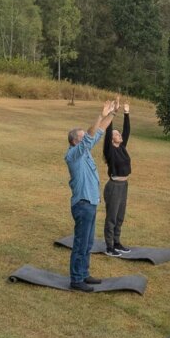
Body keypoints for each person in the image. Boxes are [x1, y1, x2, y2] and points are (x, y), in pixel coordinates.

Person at [64, 99, 117, 292]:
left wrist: (112, 114)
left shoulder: (84, 151)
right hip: (83, 204)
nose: (87, 137)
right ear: (75, 141)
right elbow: (91, 134)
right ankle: (76, 279)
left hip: (91, 203)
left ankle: (84, 274)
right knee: (80, 242)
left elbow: (99, 131)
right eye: (83, 136)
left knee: (88, 242)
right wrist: (100, 115)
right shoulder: (73, 155)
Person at [102, 100, 132, 257]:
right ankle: (109, 246)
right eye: (116, 134)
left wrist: (126, 113)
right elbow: (108, 132)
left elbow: (127, 131)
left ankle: (117, 242)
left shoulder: (121, 147)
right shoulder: (110, 151)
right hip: (114, 186)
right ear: (111, 138)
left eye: (119, 134)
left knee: (120, 216)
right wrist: (111, 113)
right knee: (112, 217)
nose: (119, 135)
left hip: (124, 185)